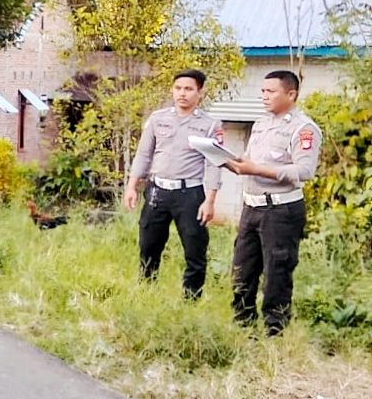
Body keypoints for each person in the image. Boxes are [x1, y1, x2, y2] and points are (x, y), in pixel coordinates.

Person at [224, 70, 321, 334]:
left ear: (291, 94)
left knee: (277, 271)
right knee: (243, 268)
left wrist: (256, 169)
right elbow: (250, 162)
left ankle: (274, 330)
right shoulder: (261, 124)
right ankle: (242, 325)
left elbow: (304, 171)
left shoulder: (303, 128)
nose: (264, 96)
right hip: (252, 206)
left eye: (270, 92)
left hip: (280, 209)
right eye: (263, 91)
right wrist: (231, 162)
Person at [123, 69, 224, 299]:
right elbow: (144, 154)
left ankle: (191, 299)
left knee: (195, 248)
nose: (182, 93)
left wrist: (210, 200)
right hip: (158, 191)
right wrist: (132, 186)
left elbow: (214, 164)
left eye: (188, 89)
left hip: (189, 193)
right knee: (149, 245)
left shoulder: (210, 125)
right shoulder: (158, 119)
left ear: (200, 92)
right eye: (178, 88)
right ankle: (146, 293)